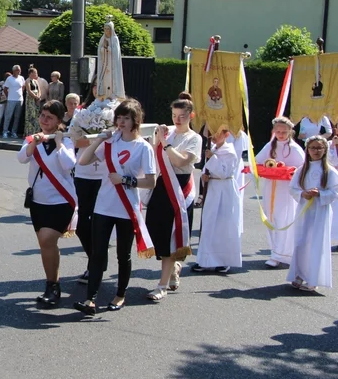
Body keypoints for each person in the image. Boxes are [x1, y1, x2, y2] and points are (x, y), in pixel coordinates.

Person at [73, 98, 156, 315]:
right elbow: (83, 161)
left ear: (135, 120)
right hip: (104, 205)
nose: (121, 122)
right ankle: (90, 299)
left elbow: (150, 181)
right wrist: (99, 139)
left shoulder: (143, 147)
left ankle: (120, 294)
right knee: (98, 252)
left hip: (127, 206)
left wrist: (127, 180)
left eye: (126, 118)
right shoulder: (110, 143)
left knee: (123, 255)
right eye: (118, 117)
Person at [17, 100, 77, 306]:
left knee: (47, 239)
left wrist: (59, 142)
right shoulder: (33, 139)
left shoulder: (66, 140)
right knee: (45, 244)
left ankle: (53, 284)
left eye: (49, 117)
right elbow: (21, 158)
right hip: (38, 202)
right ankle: (52, 284)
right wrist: (34, 142)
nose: (44, 120)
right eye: (42, 115)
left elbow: (68, 164)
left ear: (59, 120)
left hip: (62, 201)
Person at [144, 96, 202, 300]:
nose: (177, 120)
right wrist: (156, 139)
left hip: (180, 186)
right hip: (162, 185)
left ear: (191, 116)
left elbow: (182, 160)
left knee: (171, 234)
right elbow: (152, 154)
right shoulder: (167, 131)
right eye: (174, 115)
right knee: (155, 227)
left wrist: (166, 144)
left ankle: (162, 286)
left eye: (182, 116)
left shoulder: (194, 138)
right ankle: (174, 266)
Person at [287, 136, 338, 291]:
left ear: (325, 150)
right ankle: (299, 274)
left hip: (320, 212)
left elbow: (334, 191)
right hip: (304, 211)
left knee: (316, 243)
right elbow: (292, 188)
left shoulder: (330, 171)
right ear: (307, 150)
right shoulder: (301, 170)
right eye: (313, 148)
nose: (316, 151)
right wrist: (303, 194)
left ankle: (313, 280)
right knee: (301, 242)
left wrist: (320, 194)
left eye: (319, 148)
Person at [255, 117, 305, 267]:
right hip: (271, 186)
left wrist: (287, 171)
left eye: (284, 132)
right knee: (271, 218)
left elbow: (301, 168)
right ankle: (275, 251)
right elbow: (257, 160)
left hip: (286, 190)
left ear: (290, 131)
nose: (281, 134)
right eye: (278, 131)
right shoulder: (270, 145)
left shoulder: (295, 148)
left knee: (284, 218)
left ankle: (283, 253)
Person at [191, 125, 242, 273]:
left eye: (218, 133)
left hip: (225, 190)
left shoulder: (229, 151)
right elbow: (209, 170)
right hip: (213, 188)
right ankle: (205, 259)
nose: (214, 136)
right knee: (209, 223)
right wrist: (204, 177)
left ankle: (223, 260)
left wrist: (212, 158)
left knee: (223, 224)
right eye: (213, 133)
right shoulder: (212, 148)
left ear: (226, 135)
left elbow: (224, 172)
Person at [71, 82, 104, 285]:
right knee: (83, 223)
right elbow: (76, 141)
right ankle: (94, 259)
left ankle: (97, 265)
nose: (99, 90)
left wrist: (95, 138)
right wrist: (96, 138)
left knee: (101, 222)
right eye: (96, 87)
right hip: (83, 172)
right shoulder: (82, 112)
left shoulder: (116, 113)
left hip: (105, 174)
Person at [96, 19, 125, 100]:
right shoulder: (102, 39)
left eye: (108, 29)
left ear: (111, 29)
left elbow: (116, 53)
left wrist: (108, 48)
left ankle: (113, 95)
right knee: (105, 81)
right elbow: (99, 51)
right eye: (105, 29)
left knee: (112, 81)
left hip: (112, 65)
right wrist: (103, 49)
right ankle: (104, 95)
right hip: (105, 64)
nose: (106, 31)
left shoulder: (115, 39)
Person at [2, 65, 26, 138]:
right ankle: (5, 131)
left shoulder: (21, 78)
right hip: (11, 100)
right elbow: (5, 89)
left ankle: (14, 132)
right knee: (8, 116)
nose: (19, 71)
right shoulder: (9, 79)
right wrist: (8, 96)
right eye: (18, 70)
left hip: (20, 100)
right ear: (14, 70)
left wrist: (21, 93)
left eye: (20, 70)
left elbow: (23, 86)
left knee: (17, 117)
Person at [23, 67, 42, 137]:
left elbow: (39, 90)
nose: (36, 74)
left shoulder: (36, 81)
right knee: (31, 115)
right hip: (31, 100)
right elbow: (29, 90)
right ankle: (29, 132)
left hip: (37, 99)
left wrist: (39, 96)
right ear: (31, 73)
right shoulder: (27, 81)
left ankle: (36, 131)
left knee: (36, 115)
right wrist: (35, 97)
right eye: (35, 73)